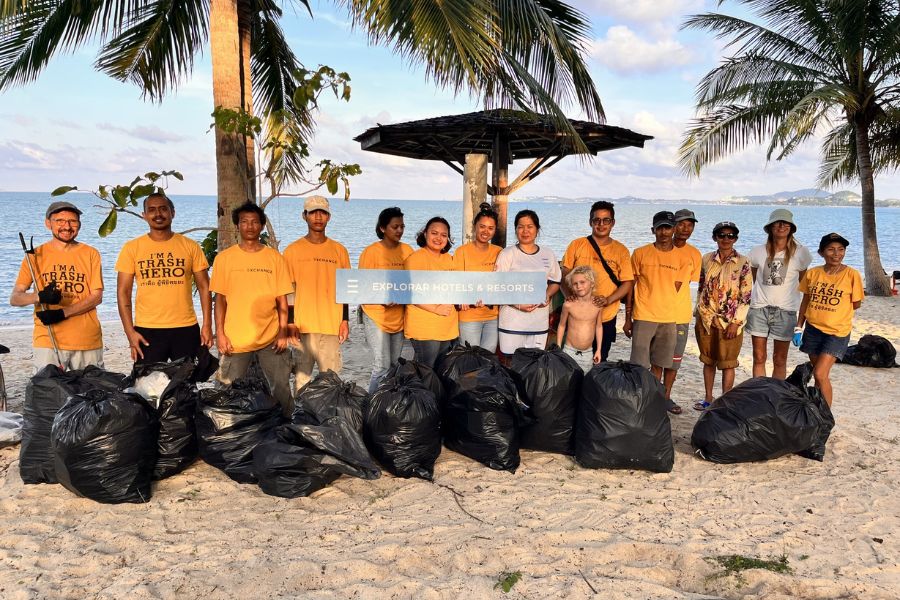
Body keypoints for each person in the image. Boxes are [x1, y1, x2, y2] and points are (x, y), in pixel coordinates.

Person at [211, 202, 293, 416]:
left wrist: (283, 332)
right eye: (244, 222)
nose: (249, 226)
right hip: (235, 339)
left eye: (255, 222)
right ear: (237, 226)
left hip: (271, 336)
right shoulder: (224, 259)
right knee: (228, 388)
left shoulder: (275, 258)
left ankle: (286, 428)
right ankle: (228, 431)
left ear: (262, 226)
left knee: (282, 388)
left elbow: (282, 299)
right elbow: (219, 300)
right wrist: (219, 333)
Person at [115, 193, 213, 363]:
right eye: (151, 210)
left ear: (172, 213)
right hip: (147, 329)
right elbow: (123, 291)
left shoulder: (190, 246)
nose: (158, 214)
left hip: (185, 327)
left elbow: (205, 287)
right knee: (147, 385)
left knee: (185, 384)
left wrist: (207, 325)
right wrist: (129, 332)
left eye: (163, 209)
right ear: (144, 215)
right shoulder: (132, 248)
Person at [11, 201, 104, 371]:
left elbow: (96, 296)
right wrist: (39, 296)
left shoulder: (91, 253)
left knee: (91, 395)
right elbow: (15, 298)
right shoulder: (34, 256)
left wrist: (63, 313)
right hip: (47, 339)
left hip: (86, 339)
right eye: (60, 221)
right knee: (48, 394)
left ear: (79, 225)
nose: (67, 226)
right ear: (48, 223)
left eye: (72, 221)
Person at [624, 211, 692, 414]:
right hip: (644, 315)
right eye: (660, 228)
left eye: (668, 228)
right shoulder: (640, 253)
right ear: (653, 230)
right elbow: (630, 286)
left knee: (660, 364)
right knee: (638, 363)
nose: (664, 232)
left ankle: (654, 400)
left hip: (670, 319)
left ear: (674, 229)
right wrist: (628, 318)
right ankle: (637, 399)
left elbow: (681, 286)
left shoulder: (683, 257)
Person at [283, 196, 351, 392]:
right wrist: (290, 322)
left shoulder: (340, 251)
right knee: (302, 382)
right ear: (304, 216)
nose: (318, 217)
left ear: (329, 217)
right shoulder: (292, 251)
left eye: (323, 213)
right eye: (313, 212)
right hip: (302, 328)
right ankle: (301, 421)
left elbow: (345, 289)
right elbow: (288, 292)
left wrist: (345, 320)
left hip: (331, 325)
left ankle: (328, 420)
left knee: (331, 383)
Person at [561, 201, 634, 361]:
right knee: (572, 360)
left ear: (612, 223)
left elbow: (627, 283)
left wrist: (608, 300)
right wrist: (569, 295)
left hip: (606, 316)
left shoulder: (621, 250)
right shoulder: (577, 244)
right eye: (596, 220)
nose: (601, 224)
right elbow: (564, 272)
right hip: (577, 315)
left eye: (606, 220)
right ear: (590, 222)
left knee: (599, 359)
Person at [796, 233, 864, 406]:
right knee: (820, 377)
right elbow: (806, 301)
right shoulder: (813, 273)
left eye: (841, 250)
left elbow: (856, 304)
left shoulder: (852, 275)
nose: (836, 254)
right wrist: (798, 327)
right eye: (831, 249)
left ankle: (826, 418)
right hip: (813, 329)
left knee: (819, 374)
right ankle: (819, 412)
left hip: (837, 333)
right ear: (821, 252)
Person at [693, 222, 752, 410]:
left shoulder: (743, 262)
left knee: (728, 364)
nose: (726, 239)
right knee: (708, 361)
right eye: (722, 235)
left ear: (735, 238)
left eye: (730, 235)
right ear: (715, 237)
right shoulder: (706, 259)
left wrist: (736, 322)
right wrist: (698, 314)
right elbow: (701, 288)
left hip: (730, 322)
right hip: (706, 319)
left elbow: (746, 295)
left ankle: (725, 402)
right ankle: (708, 398)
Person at [746, 208, 812, 379]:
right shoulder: (757, 252)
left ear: (791, 228)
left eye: (785, 223)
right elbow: (752, 280)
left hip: (785, 311)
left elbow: (806, 288)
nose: (781, 226)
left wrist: (799, 325)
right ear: (770, 227)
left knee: (780, 359)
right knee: (759, 357)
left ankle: (776, 397)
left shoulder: (801, 253)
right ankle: (760, 394)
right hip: (759, 309)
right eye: (777, 222)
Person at [357, 206, 414, 393]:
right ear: (383, 228)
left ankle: (385, 403)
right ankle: (370, 404)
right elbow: (362, 285)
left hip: (398, 317)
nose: (399, 231)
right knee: (381, 365)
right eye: (395, 227)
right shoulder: (371, 252)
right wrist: (380, 298)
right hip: (376, 315)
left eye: (402, 227)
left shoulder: (408, 251)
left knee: (394, 365)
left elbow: (412, 282)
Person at [495, 209, 562, 357]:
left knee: (534, 365)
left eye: (530, 226)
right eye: (520, 226)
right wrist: (517, 304)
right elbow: (497, 286)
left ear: (537, 229)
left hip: (538, 322)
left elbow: (555, 281)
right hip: (511, 322)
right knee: (510, 363)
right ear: (515, 230)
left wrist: (547, 294)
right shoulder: (507, 254)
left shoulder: (548, 254)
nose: (525, 231)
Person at [404, 217, 458, 368]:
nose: (439, 238)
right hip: (425, 327)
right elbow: (409, 292)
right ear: (425, 233)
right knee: (425, 371)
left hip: (447, 325)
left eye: (443, 235)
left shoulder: (450, 259)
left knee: (441, 372)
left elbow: (457, 287)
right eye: (434, 233)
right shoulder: (415, 259)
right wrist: (435, 308)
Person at [663, 209, 703, 406]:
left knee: (674, 360)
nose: (686, 229)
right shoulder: (660, 249)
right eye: (681, 224)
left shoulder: (694, 254)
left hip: (680, 314)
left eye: (690, 225)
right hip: (656, 313)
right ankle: (653, 396)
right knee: (655, 359)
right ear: (672, 226)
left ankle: (666, 396)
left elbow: (688, 284)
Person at [454, 203, 502, 351]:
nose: (485, 231)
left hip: (492, 317)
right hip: (469, 317)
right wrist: (463, 298)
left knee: (488, 360)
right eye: (482, 226)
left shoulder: (500, 252)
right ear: (475, 226)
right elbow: (456, 283)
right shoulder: (461, 251)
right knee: (470, 360)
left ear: (495, 230)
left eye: (490, 228)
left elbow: (504, 283)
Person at [556, 266, 603, 372]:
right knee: (567, 383)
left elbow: (599, 327)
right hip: (569, 351)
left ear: (591, 283)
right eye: (575, 284)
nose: (579, 286)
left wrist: (598, 350)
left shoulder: (597, 305)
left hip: (588, 353)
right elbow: (562, 325)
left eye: (582, 282)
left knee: (584, 383)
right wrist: (559, 347)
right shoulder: (568, 305)